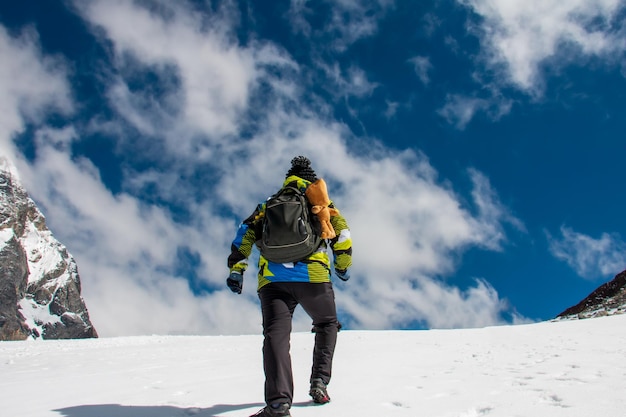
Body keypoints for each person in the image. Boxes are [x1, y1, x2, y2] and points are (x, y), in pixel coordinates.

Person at [227, 156, 352, 417]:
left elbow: (244, 234)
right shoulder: (321, 202)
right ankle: (319, 382)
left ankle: (278, 405)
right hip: (313, 277)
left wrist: (237, 270)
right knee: (327, 323)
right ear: (310, 179)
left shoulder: (267, 205)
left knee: (276, 337)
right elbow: (342, 234)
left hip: (272, 281)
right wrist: (341, 265)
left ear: (287, 179)